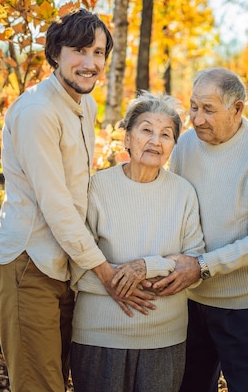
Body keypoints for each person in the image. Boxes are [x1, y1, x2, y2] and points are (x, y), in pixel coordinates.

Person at [0, 9, 154, 392]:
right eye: (80, 50)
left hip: (64, 266)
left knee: (59, 379)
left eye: (98, 52)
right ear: (56, 53)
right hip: (28, 264)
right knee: (38, 384)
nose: (90, 63)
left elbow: (81, 189)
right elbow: (57, 204)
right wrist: (105, 272)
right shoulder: (37, 112)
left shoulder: (84, 105)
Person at [153, 67, 248, 392]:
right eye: (194, 107)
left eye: (209, 109)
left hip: (247, 306)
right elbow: (175, 209)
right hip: (190, 301)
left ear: (237, 109)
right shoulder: (185, 145)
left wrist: (202, 266)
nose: (197, 119)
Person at [69, 91, 205, 392]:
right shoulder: (96, 187)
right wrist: (119, 283)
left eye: (166, 134)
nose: (156, 141)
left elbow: (194, 265)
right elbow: (76, 262)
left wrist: (147, 267)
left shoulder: (183, 193)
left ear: (173, 146)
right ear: (127, 138)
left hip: (165, 338)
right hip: (99, 335)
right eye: (146, 130)